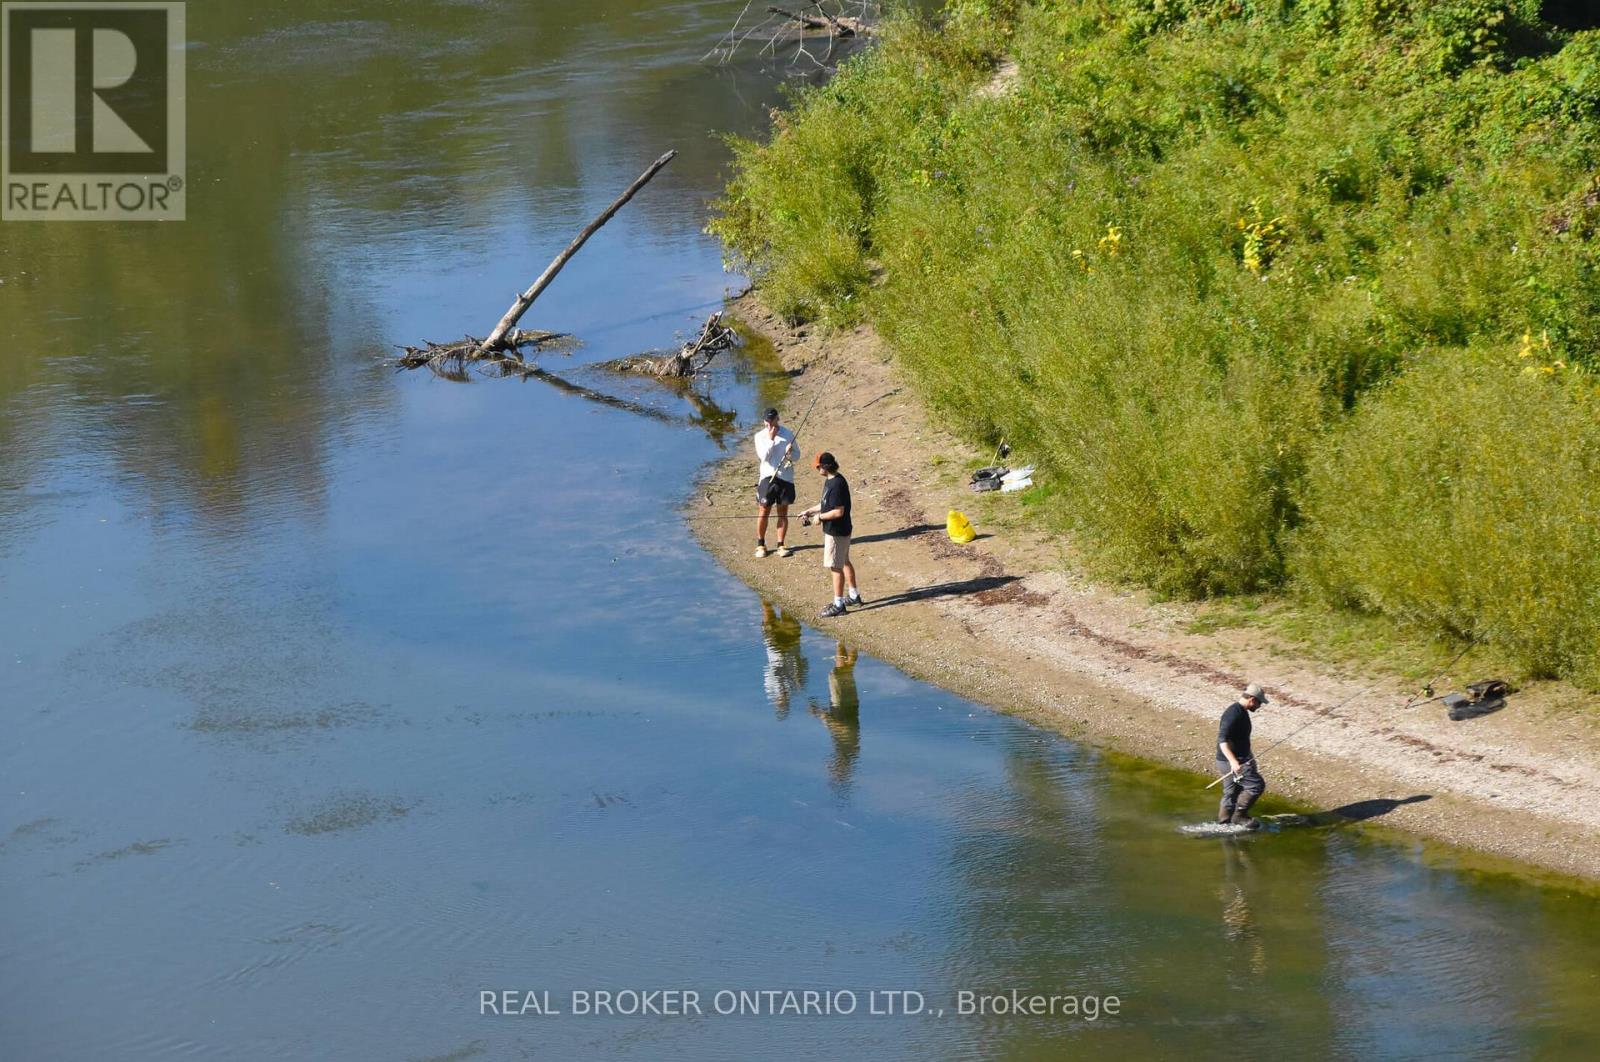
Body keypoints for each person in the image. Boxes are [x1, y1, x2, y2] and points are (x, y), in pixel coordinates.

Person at [799, 451, 862, 617]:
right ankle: (854, 596)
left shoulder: (836, 485)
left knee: (836, 567)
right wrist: (809, 511)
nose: (816, 469)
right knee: (845, 561)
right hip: (841, 530)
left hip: (837, 533)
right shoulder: (831, 481)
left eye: (818, 466)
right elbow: (825, 504)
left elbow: (838, 512)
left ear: (825, 467)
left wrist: (819, 518)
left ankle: (839, 604)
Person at [1217, 682, 1269, 829]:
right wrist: (1234, 762)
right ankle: (1239, 817)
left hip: (1235, 760)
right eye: (1259, 703)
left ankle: (1223, 823)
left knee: (1232, 792)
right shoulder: (1233, 714)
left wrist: (1250, 758)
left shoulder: (1240, 711)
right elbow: (1222, 740)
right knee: (1256, 785)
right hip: (1232, 762)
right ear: (1252, 699)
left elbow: (1241, 740)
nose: (1259, 706)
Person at [752, 407, 796, 558]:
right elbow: (763, 457)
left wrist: (790, 454)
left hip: (785, 478)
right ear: (764, 421)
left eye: (773, 421)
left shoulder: (788, 434)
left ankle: (781, 544)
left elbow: (797, 456)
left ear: (778, 419)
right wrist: (771, 439)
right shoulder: (759, 436)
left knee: (782, 512)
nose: (770, 425)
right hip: (767, 477)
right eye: (767, 422)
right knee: (764, 509)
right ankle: (760, 544)